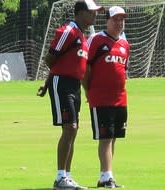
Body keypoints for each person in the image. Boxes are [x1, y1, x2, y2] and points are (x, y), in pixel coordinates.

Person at [37, 0, 103, 189]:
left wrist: (87, 91)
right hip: (62, 84)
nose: (95, 15)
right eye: (91, 12)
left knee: (73, 130)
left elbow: (77, 67)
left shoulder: (82, 36)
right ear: (80, 13)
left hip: (73, 85)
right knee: (70, 128)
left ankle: (66, 175)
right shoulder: (69, 31)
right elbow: (51, 58)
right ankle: (59, 178)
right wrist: (51, 82)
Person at [82, 6, 130, 188]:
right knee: (105, 138)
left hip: (120, 99)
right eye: (115, 19)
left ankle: (108, 175)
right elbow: (86, 67)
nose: (119, 23)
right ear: (107, 21)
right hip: (101, 99)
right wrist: (88, 90)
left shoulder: (125, 44)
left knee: (114, 136)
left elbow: (122, 71)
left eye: (122, 20)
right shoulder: (96, 40)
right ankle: (105, 176)